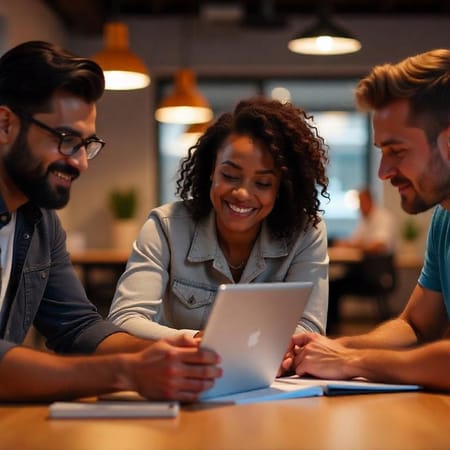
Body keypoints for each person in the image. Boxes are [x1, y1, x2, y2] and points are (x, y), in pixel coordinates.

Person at [0, 40, 221, 402]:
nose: (80, 163)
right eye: (66, 139)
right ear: (5, 124)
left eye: (86, 144)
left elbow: (77, 328)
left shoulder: (39, 221)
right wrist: (127, 372)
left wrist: (177, 353)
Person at [282, 48, 450, 390]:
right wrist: (335, 346)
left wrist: (354, 361)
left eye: (397, 151)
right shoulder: (444, 219)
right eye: (381, 152)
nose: (384, 172)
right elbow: (416, 326)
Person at [108, 97, 330, 349]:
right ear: (212, 168)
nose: (242, 194)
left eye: (263, 183)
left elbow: (309, 327)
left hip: (272, 379)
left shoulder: (305, 233)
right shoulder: (166, 227)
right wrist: (196, 341)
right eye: (230, 175)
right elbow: (124, 320)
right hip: (182, 375)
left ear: (281, 187)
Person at [327, 187, 397, 332]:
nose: (359, 207)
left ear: (370, 200)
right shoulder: (365, 221)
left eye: (361, 202)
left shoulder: (382, 217)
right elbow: (356, 241)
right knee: (332, 285)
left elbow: (379, 245)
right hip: (365, 272)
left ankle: (332, 330)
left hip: (377, 276)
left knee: (334, 286)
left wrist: (355, 245)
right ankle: (332, 328)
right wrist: (347, 243)